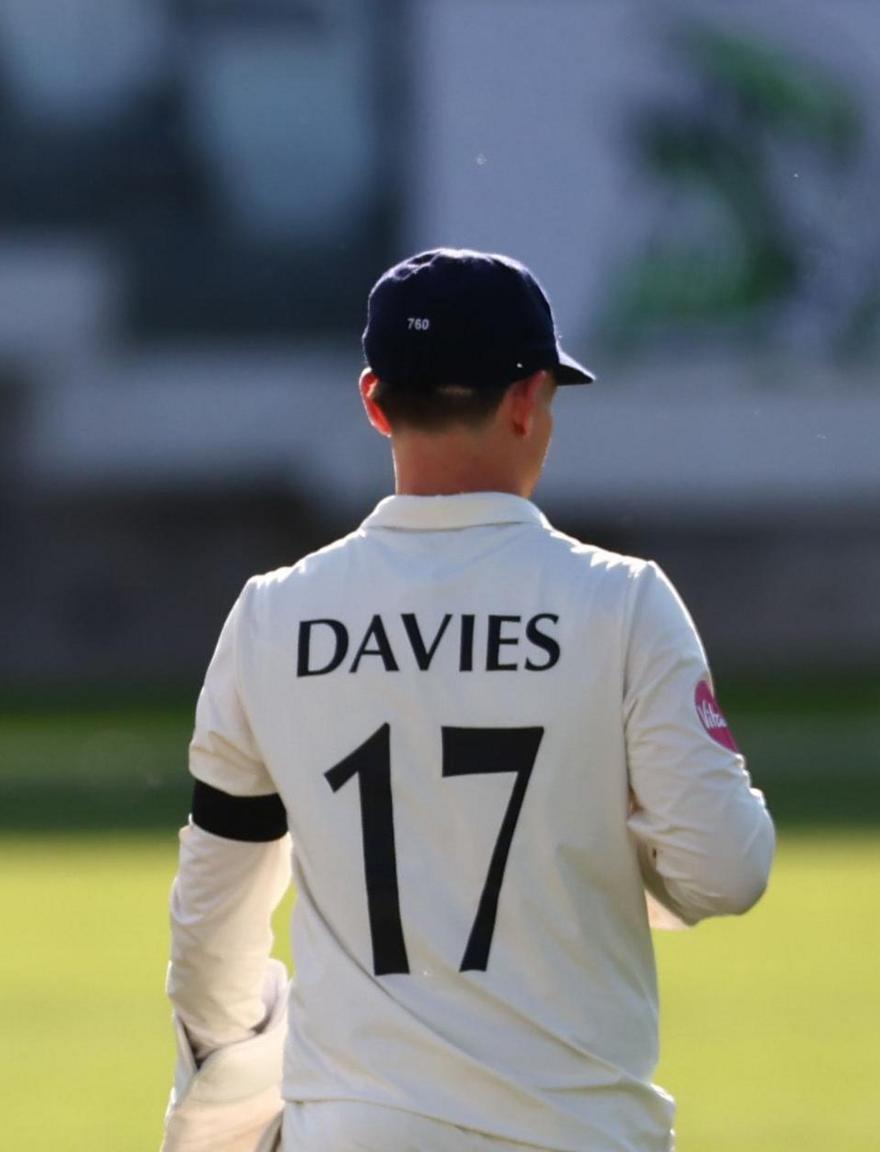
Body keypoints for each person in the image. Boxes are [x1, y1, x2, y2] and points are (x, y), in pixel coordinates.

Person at [159, 249, 775, 1152]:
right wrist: (601, 852)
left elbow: (215, 925)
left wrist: (229, 1070)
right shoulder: (622, 601)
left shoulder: (273, 615)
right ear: (528, 400)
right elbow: (727, 868)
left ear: (375, 402)